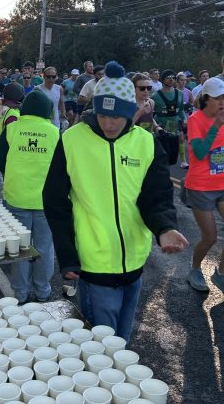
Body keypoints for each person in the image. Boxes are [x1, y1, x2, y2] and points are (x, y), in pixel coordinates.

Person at [43, 61, 188, 342]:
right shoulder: (72, 140)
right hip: (93, 260)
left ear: (130, 111)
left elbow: (156, 196)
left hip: (134, 259)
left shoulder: (145, 142)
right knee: (101, 342)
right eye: (103, 115)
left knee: (123, 337)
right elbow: (54, 200)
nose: (109, 123)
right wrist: (67, 255)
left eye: (117, 116)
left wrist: (164, 227)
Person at [0, 90, 59, 304]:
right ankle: (43, 291)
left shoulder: (12, 129)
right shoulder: (54, 132)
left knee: (19, 248)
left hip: (16, 198)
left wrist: (13, 175)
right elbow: (63, 168)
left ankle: (19, 294)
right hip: (45, 201)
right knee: (44, 248)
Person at [184, 78, 224, 293]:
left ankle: (221, 274)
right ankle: (195, 269)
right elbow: (199, 153)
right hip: (201, 186)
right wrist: (216, 126)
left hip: (222, 183)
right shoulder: (195, 120)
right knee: (210, 237)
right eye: (218, 98)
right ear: (206, 99)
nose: (222, 102)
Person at [152, 69, 185, 165]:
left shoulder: (180, 94)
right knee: (162, 156)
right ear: (162, 79)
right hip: (161, 128)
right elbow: (149, 113)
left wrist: (185, 121)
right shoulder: (155, 96)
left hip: (174, 126)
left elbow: (181, 110)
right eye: (168, 77)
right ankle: (164, 177)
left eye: (173, 77)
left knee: (173, 157)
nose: (171, 79)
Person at [176, 72, 194, 168]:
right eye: (182, 80)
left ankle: (194, 160)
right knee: (181, 138)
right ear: (177, 81)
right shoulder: (173, 91)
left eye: (185, 80)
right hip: (176, 119)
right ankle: (183, 162)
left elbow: (194, 104)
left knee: (190, 139)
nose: (183, 82)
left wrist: (189, 106)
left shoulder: (188, 92)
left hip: (187, 119)